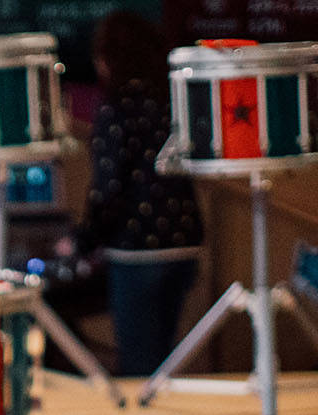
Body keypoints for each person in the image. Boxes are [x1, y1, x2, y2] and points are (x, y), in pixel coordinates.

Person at [77, 12, 205, 377]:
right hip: (184, 244)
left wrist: (80, 242)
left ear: (107, 58)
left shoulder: (115, 109)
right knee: (160, 362)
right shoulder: (171, 104)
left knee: (138, 370)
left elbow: (109, 189)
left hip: (138, 252)